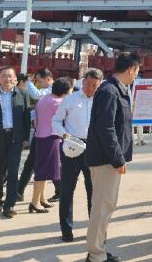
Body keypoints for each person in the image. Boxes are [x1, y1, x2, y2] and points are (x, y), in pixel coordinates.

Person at [84, 52, 139, 262]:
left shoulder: (117, 89)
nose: (136, 75)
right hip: (105, 160)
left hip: (108, 159)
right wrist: (117, 158)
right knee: (101, 208)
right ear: (131, 69)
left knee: (106, 206)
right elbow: (105, 128)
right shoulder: (109, 90)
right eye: (137, 71)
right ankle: (96, 255)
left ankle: (99, 250)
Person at [53, 68, 102, 242]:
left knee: (93, 190)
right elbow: (56, 121)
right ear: (83, 82)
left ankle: (94, 229)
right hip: (72, 146)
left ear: (99, 85)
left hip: (94, 147)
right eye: (88, 84)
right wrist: (64, 135)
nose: (90, 88)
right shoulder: (70, 99)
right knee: (67, 189)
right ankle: (66, 230)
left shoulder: (102, 100)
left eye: (95, 85)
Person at [0, 66, 31, 219]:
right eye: (4, 76)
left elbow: (27, 117)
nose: (7, 79)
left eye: (10, 76)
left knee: (13, 172)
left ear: (15, 78)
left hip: (15, 138)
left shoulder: (22, 94)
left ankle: (10, 205)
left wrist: (26, 138)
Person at [31, 77, 73, 213]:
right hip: (51, 137)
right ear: (65, 91)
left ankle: (41, 198)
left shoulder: (44, 99)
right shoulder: (58, 102)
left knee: (44, 169)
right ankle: (35, 202)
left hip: (41, 136)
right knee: (43, 171)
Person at [17, 68, 58, 202]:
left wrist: (28, 81)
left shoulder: (53, 89)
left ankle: (22, 192)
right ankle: (20, 191)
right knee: (39, 163)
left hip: (47, 134)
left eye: (40, 81)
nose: (39, 84)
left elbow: (36, 94)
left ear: (48, 78)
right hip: (42, 131)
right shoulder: (48, 91)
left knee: (43, 164)